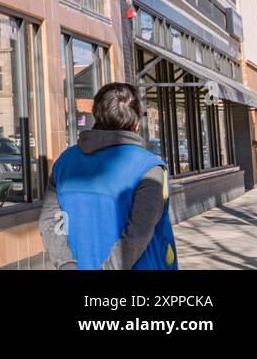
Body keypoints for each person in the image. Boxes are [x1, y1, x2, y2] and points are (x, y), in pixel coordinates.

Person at [39, 82, 177, 269]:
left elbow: (50, 222)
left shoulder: (64, 163)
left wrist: (67, 265)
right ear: (136, 124)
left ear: (95, 115)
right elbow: (138, 235)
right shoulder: (148, 168)